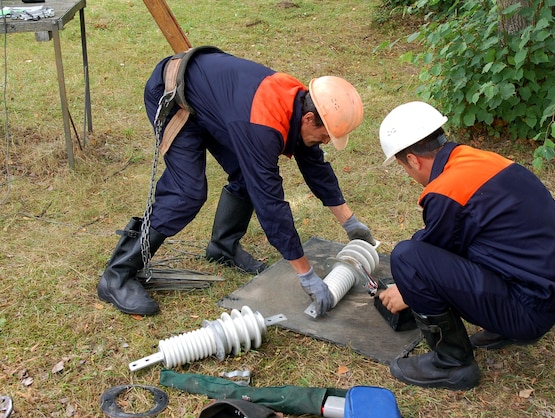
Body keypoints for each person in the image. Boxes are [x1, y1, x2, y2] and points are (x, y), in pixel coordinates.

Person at [97, 46, 375, 317]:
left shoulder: (300, 103)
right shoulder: (263, 127)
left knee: (244, 173)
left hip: (216, 101)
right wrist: (307, 274)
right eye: (326, 135)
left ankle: (223, 248)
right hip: (174, 94)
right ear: (310, 118)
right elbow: (270, 204)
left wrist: (350, 222)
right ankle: (118, 275)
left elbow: (315, 166)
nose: (326, 142)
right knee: (187, 193)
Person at [376, 102, 555, 390]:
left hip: (527, 309)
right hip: (543, 298)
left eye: (403, 167)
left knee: (407, 258)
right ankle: (502, 327)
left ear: (413, 160)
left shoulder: (448, 189)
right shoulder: (478, 161)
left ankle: (452, 364)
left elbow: (426, 259)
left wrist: (406, 290)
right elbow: (449, 242)